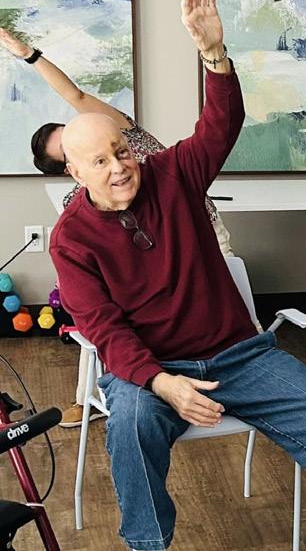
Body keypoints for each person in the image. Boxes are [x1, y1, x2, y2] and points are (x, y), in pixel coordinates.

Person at [48, 0, 306, 550]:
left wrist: (215, 55)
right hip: (152, 369)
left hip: (239, 355)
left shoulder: (173, 173)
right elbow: (105, 329)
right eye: (100, 161)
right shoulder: (71, 239)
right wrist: (163, 383)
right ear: (75, 173)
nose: (119, 167)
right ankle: (147, 546)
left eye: (121, 151)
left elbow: (221, 124)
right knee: (132, 427)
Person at [0, 24, 235, 429]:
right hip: (155, 260)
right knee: (108, 320)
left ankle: (246, 377)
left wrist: (29, 55)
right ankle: (94, 397)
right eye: (72, 151)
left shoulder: (117, 129)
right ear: (73, 170)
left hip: (201, 230)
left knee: (227, 319)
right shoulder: (85, 205)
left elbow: (74, 95)